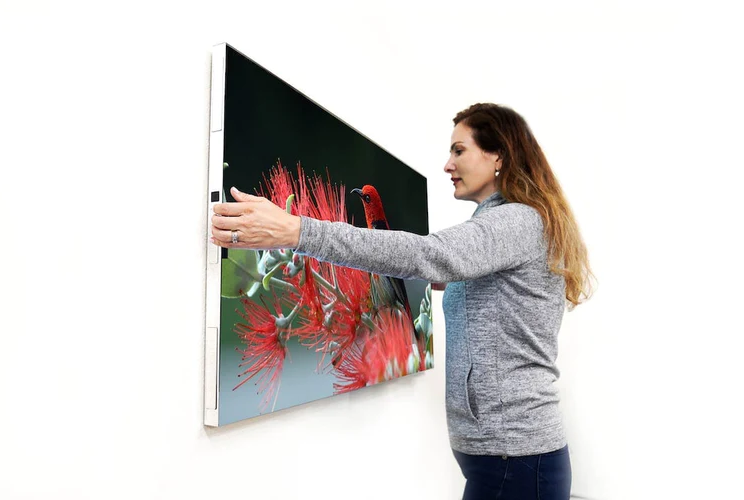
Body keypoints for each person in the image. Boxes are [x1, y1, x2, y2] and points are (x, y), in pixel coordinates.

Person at [211, 103, 593, 500]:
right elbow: (466, 281)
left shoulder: (514, 222)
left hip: (515, 461)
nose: (447, 164)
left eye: (459, 150)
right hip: (508, 458)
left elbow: (427, 255)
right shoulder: (512, 224)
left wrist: (298, 231)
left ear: (498, 156)